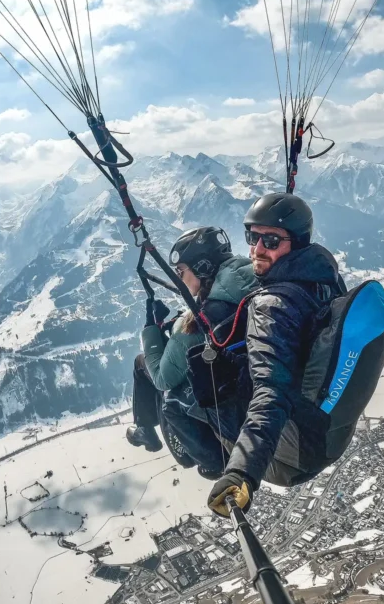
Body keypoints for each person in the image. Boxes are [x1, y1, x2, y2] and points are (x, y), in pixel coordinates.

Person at [205, 193, 347, 516]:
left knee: (199, 389)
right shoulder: (326, 279)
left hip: (294, 455)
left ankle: (213, 461)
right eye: (252, 238)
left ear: (295, 244)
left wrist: (241, 472)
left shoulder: (270, 306)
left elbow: (271, 392)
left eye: (270, 240)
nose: (256, 250)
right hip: (326, 431)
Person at [126, 226, 258, 477]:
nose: (178, 278)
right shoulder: (250, 277)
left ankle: (147, 429)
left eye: (181, 271)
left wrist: (152, 329)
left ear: (203, 268)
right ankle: (144, 427)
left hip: (231, 404)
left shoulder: (199, 323)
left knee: (143, 365)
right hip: (249, 377)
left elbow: (163, 378)